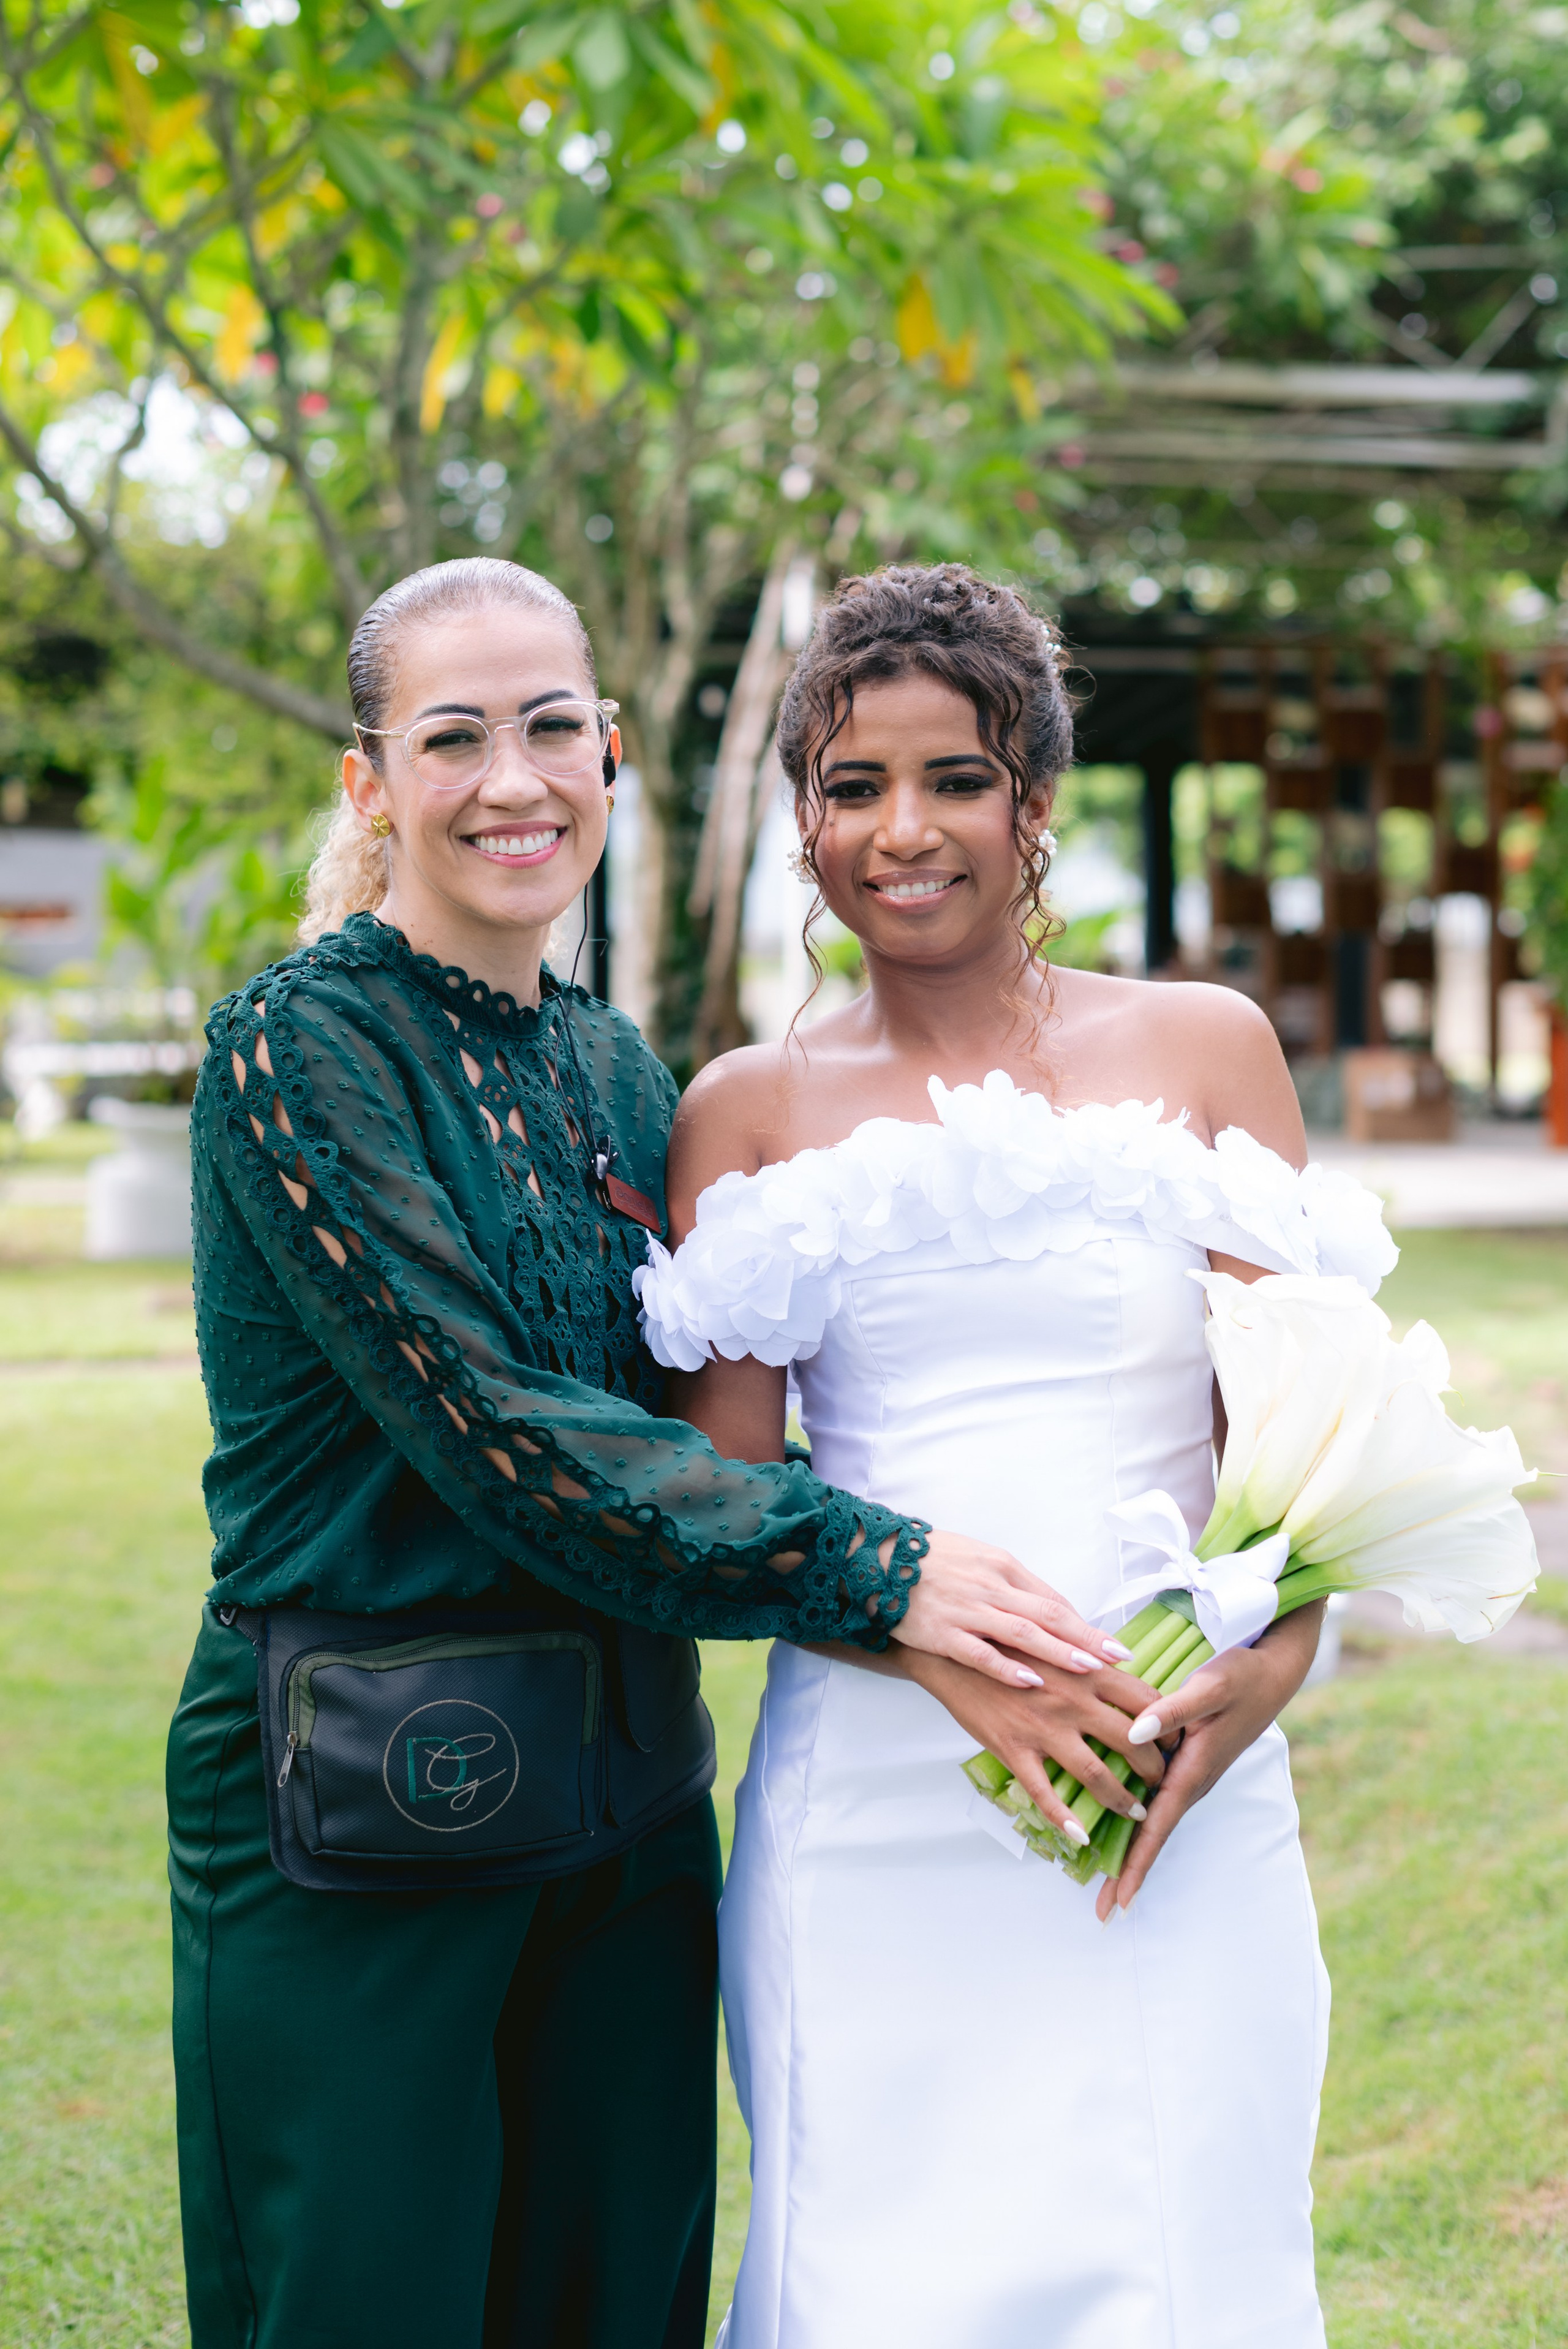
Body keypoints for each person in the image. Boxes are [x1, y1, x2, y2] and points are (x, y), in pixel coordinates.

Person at [167, 556, 1139, 2349]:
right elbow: (498, 1430)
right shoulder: (301, 1050)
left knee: (613, 2304)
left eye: (552, 728)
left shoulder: (622, 1073)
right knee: (367, 2304)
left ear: (609, 754)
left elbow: (707, 1414)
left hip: (625, 1808)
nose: (513, 780)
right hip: (366, 1801)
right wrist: (887, 1565)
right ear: (369, 781)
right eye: (452, 738)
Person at [638, 564, 1397, 2349]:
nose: (902, 831)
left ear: (1035, 797)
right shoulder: (744, 1109)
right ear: (806, 817)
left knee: (1185, 2264)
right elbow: (723, 1517)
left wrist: (1269, 1665)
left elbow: (1309, 1437)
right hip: (878, 1803)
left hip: (1176, 1779)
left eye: (956, 779)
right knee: (878, 2279)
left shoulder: (1204, 1048)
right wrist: (933, 1642)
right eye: (852, 787)